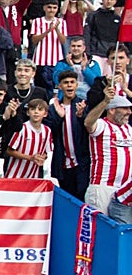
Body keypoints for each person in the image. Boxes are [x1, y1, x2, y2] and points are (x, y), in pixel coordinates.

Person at [83, 85, 132, 212]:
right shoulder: (102, 125)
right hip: (102, 188)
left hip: (124, 191)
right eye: (125, 108)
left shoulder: (128, 129)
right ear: (112, 110)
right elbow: (88, 123)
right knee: (101, 229)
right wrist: (105, 101)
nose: (129, 112)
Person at [47, 70, 89, 200]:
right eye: (65, 83)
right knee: (69, 200)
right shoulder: (54, 107)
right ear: (60, 86)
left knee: (82, 199)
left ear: (77, 85)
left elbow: (90, 128)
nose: (69, 85)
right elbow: (50, 130)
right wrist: (59, 117)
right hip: (63, 164)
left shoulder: (83, 105)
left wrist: (82, 117)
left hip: (82, 163)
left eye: (72, 82)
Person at [5, 98, 52, 179]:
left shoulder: (47, 131)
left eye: (40, 109)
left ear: (45, 114)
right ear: (28, 112)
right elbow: (9, 151)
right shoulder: (21, 128)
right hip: (14, 176)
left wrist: (42, 158)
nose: (36, 112)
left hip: (33, 176)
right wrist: (30, 158)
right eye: (33, 109)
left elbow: (46, 152)